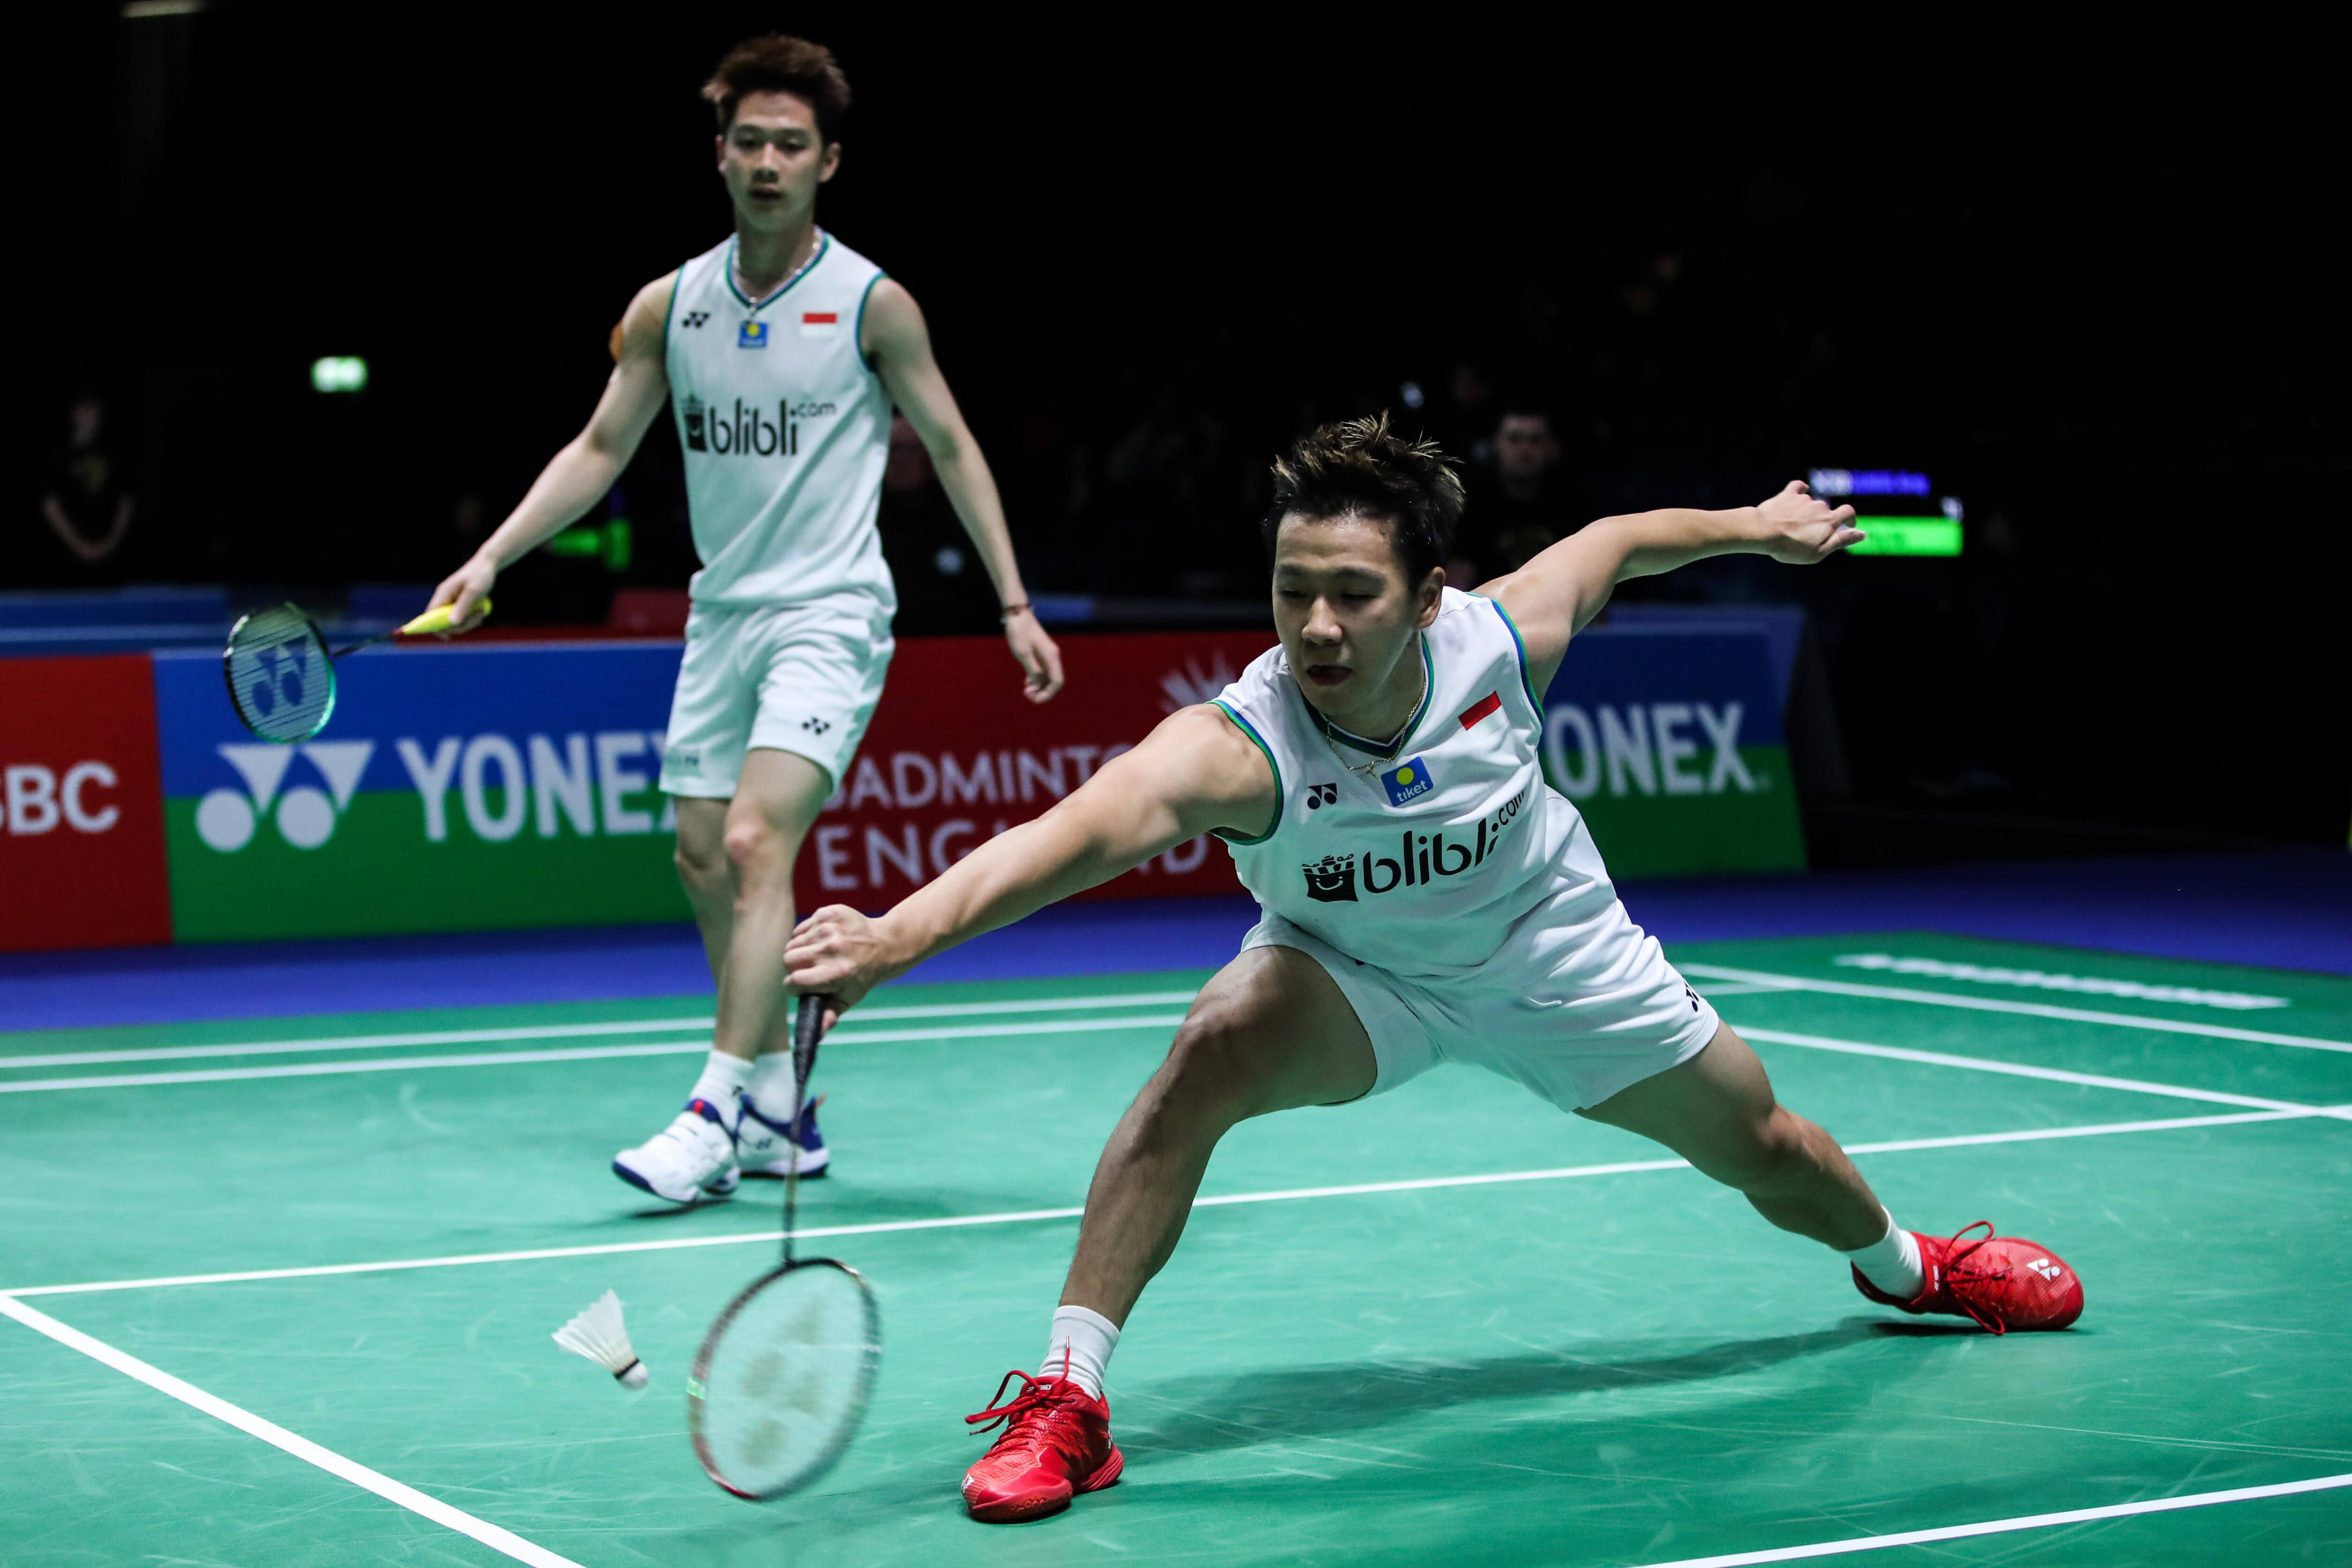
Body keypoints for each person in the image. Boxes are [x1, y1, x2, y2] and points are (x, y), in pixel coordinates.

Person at [784, 415, 2084, 1523]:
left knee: (1768, 1147)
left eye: (1354, 592)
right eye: (1293, 589)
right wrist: (896, 939)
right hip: (1355, 974)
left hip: (1550, 949)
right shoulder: (1241, 746)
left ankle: (1909, 1268)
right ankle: (1069, 1398)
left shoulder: (1500, 641)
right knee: (1208, 1051)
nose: (1317, 625)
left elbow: (1622, 540)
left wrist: (1758, 524)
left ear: (1426, 596)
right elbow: (1066, 839)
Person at [427, 35, 1064, 1204]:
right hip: (720, 615)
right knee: (697, 856)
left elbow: (952, 443)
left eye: (793, 145)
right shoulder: (670, 307)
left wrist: (1011, 600)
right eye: (752, 143)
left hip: (829, 610)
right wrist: (491, 557)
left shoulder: (872, 305)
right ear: (719, 155)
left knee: (756, 843)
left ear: (828, 162)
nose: (770, 163)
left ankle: (714, 1108)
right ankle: (779, 1106)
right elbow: (599, 448)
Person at [39, 395, 135, 583]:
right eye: (85, 410)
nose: (90, 417)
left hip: (111, 557)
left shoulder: (115, 453)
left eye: (94, 411)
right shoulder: (57, 456)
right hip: (66, 557)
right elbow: (50, 506)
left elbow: (126, 503)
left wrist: (109, 544)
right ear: (74, 414)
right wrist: (79, 546)